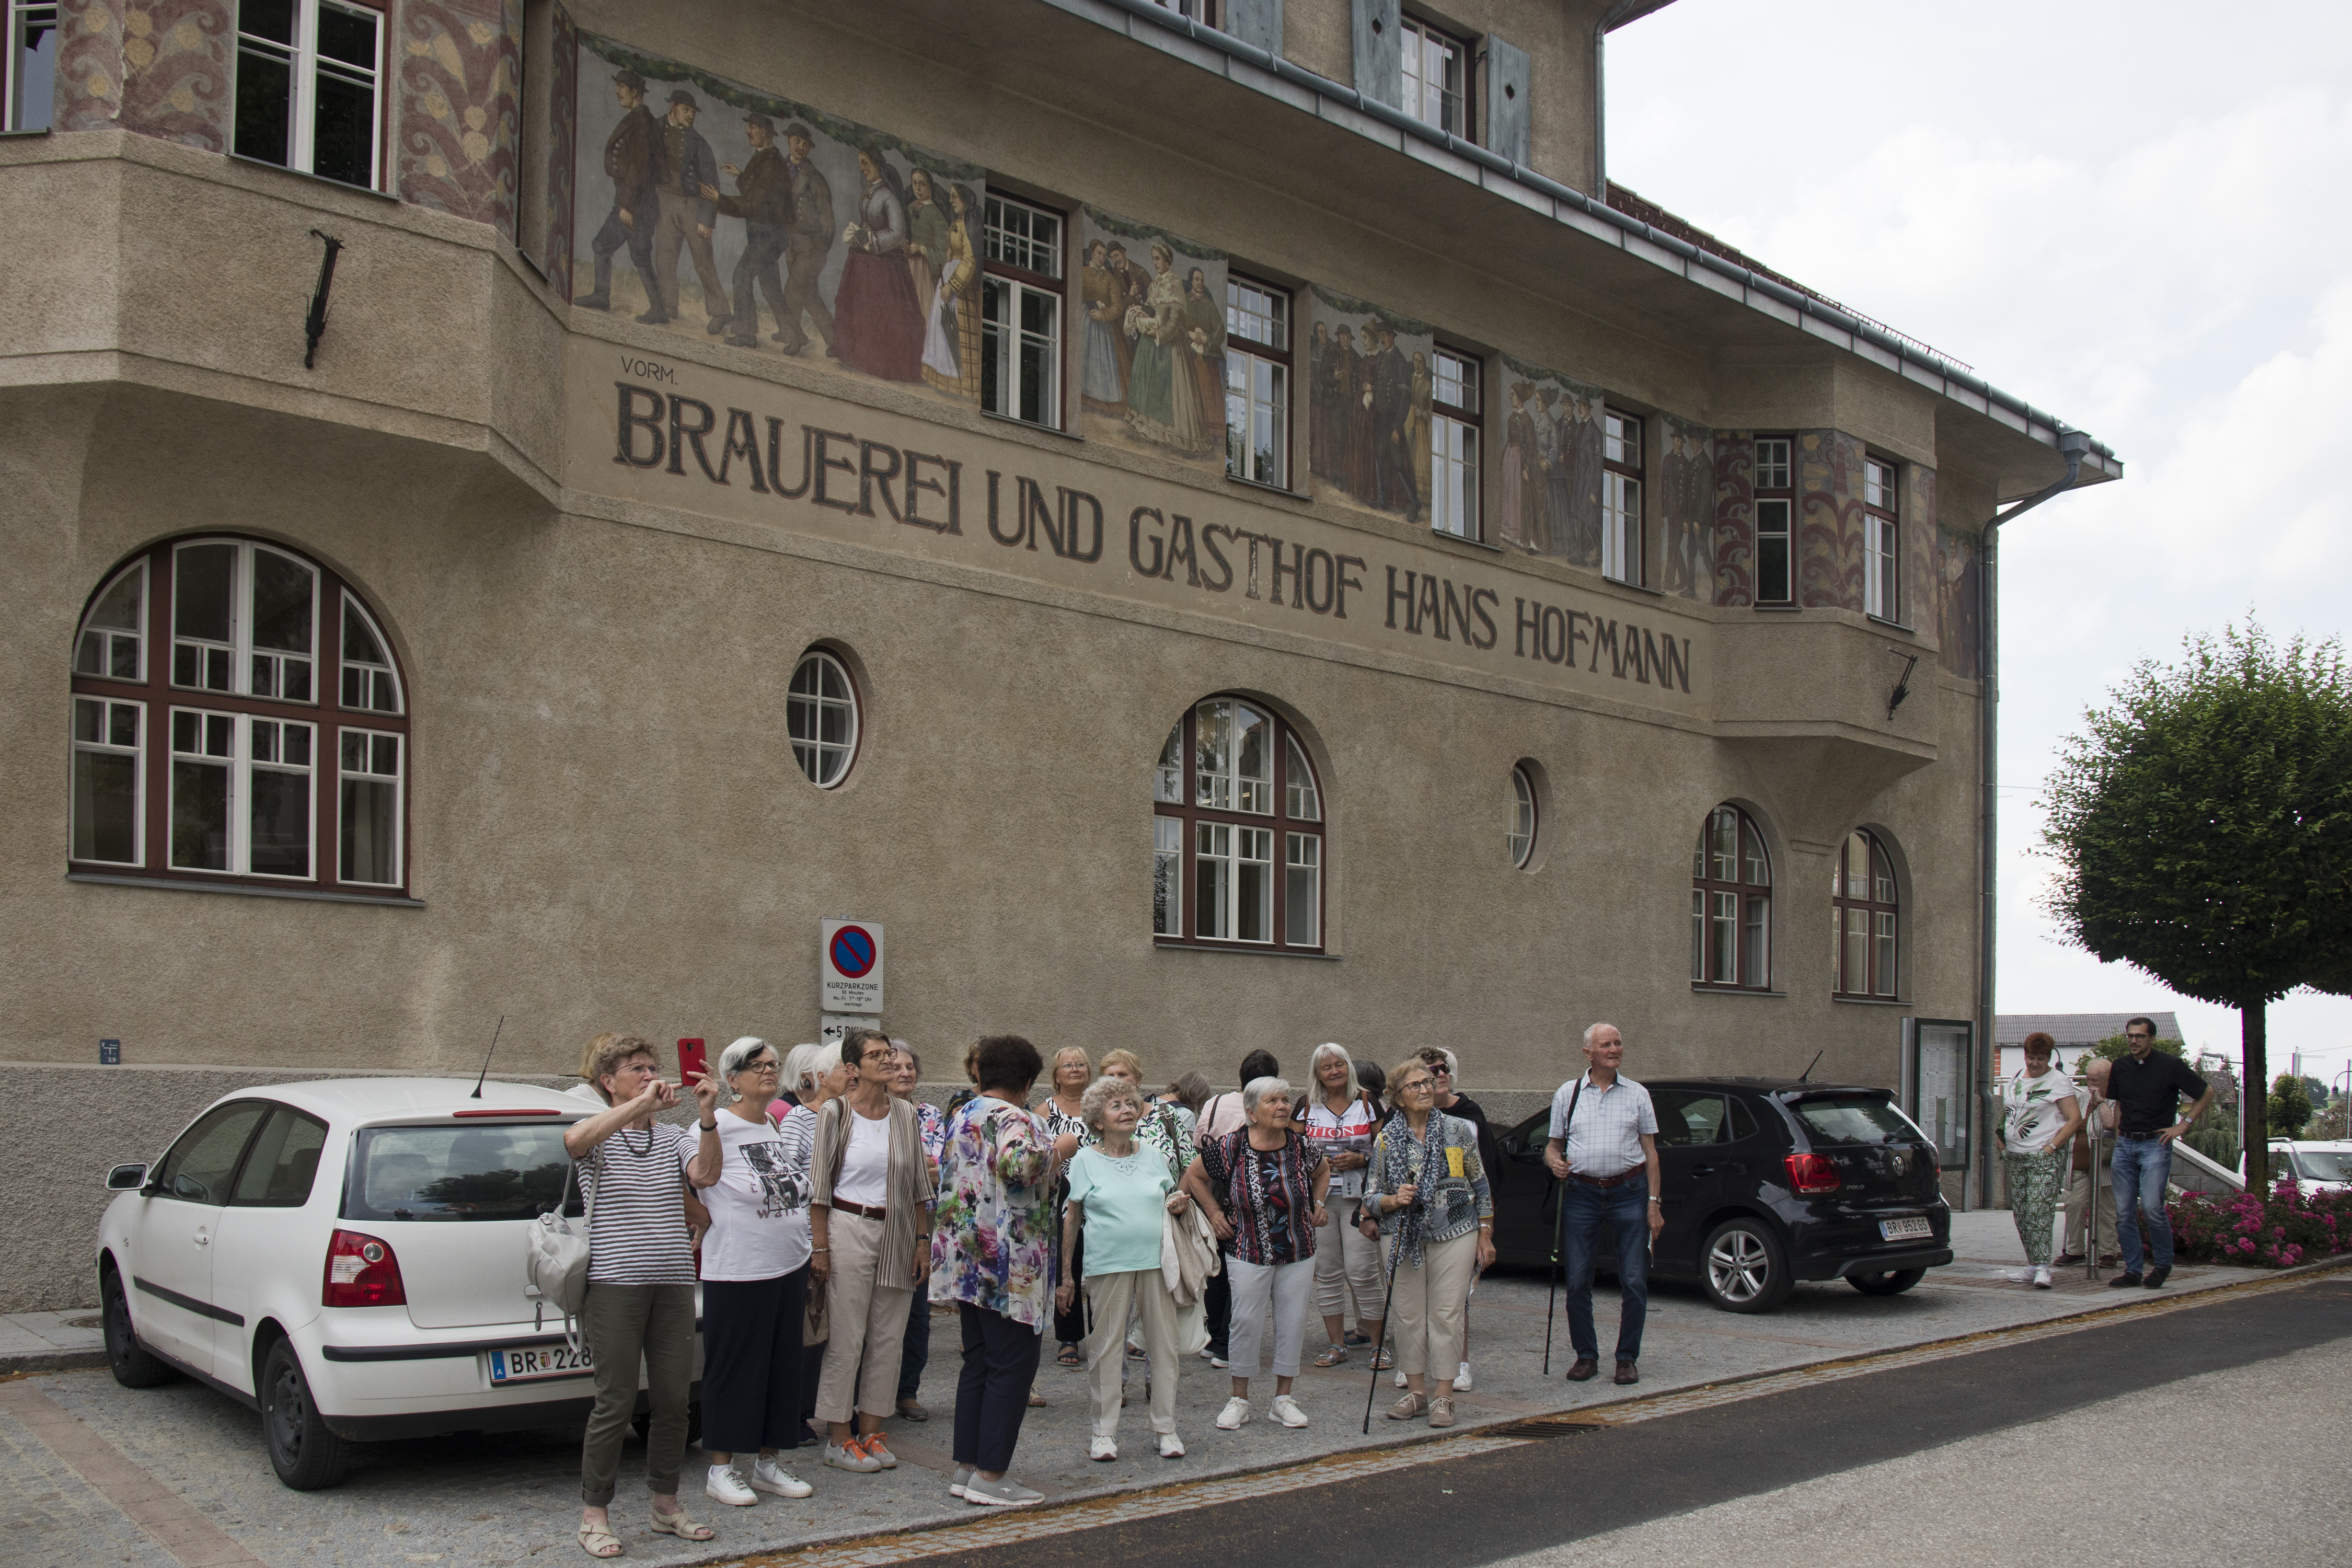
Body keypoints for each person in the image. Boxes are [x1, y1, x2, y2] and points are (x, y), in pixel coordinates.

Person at [563, 1034, 712, 1557]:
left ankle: (666, 1505)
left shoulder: (673, 1138)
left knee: (674, 1401)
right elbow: (575, 1141)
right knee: (615, 1401)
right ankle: (594, 1514)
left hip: (672, 1284)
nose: (650, 1076)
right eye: (637, 1070)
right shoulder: (600, 1134)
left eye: (653, 1068)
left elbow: (705, 1173)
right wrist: (639, 1106)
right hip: (614, 1287)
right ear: (609, 1082)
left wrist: (708, 1116)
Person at [682, 1037, 815, 1508]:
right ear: (731, 1078)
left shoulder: (774, 1125)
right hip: (739, 1268)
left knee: (782, 1366)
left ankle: (767, 1461)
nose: (768, 1071)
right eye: (756, 1065)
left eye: (773, 1064)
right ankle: (721, 1468)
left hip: (788, 1263)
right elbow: (702, 1179)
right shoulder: (711, 1127)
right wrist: (707, 1117)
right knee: (735, 1367)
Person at [931, 1034, 1062, 1507]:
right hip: (1010, 1268)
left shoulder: (963, 1114)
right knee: (1012, 1368)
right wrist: (1058, 1149)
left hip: (967, 1263)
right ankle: (992, 1476)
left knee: (979, 1363)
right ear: (1027, 1083)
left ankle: (967, 1467)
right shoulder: (1016, 1117)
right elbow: (1017, 1164)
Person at [809, 1027, 934, 1473]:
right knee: (847, 1337)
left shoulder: (904, 1114)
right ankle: (839, 1437)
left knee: (889, 1335)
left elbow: (920, 1184)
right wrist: (819, 1248)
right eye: (877, 1055)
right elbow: (819, 1188)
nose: (888, 1061)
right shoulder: (836, 1113)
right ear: (852, 1068)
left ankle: (873, 1431)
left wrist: (923, 1241)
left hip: (899, 1229)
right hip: (848, 1226)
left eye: (890, 1054)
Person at [1056, 1074, 1192, 1460]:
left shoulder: (1151, 1153)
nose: (1127, 1110)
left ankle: (1165, 1429)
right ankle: (1104, 1433)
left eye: (1130, 1104)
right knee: (1105, 1348)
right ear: (1098, 1120)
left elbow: (1170, 1196)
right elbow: (1072, 1218)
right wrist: (1067, 1275)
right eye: (1116, 1106)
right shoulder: (1084, 1159)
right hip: (1107, 1264)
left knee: (1164, 1346)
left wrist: (1179, 1201)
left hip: (1156, 1263)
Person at [1182, 1075, 1327, 1431]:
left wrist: (1318, 1203)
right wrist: (1215, 1213)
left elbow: (1322, 1172)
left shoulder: (1301, 1146)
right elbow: (1195, 1175)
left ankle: (1283, 1400)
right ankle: (1240, 1400)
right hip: (1248, 1247)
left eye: (1284, 1100)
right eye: (1273, 1102)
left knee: (1292, 1322)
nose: (1282, 1107)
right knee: (1244, 1323)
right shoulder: (1231, 1146)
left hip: (1298, 1246)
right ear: (1252, 1112)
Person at [1367, 1057, 1492, 1428]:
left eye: (1428, 1082)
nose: (1425, 1089)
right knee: (1407, 1314)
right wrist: (1391, 1200)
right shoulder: (1386, 1139)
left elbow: (1481, 1184)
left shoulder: (1458, 1131)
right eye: (1415, 1086)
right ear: (1398, 1098)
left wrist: (1486, 1233)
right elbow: (1371, 1195)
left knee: (1447, 1313)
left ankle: (1444, 1396)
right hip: (1402, 1233)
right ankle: (1417, 1393)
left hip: (1455, 1230)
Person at [1542, 1022, 1662, 1386]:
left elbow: (1651, 1154)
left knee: (1633, 1280)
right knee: (1578, 1280)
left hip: (1630, 1191)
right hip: (1582, 1194)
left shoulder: (1638, 1094)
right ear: (1588, 1053)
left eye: (1618, 1043)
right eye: (1606, 1044)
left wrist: (1654, 1203)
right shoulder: (1569, 1093)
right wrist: (1554, 1162)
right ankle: (1586, 1356)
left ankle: (1627, 1358)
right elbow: (1552, 1146)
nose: (1614, 1049)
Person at [2107, 1017, 2215, 1289]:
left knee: (2153, 1208)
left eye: (2140, 1037)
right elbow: (2119, 1102)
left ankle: (2164, 1265)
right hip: (2126, 1145)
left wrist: (2184, 1125)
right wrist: (2120, 1132)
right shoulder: (2120, 1067)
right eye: (2130, 1036)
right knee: (2123, 1213)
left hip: (2155, 1144)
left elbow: (2207, 1092)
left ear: (2151, 1039)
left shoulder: (2170, 1065)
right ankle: (2133, 1269)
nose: (2134, 1041)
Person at [1297, 1044, 1382, 1369]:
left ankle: (1377, 1346)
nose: (1334, 1071)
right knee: (1329, 1272)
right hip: (1320, 1199)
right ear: (1316, 1074)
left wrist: (1362, 1158)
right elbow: (1291, 1149)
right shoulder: (1305, 1106)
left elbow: (1387, 1150)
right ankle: (1336, 1345)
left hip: (1359, 1198)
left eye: (1339, 1065)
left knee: (1362, 1272)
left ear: (1348, 1067)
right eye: (1326, 1067)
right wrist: (1315, 1166)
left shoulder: (1366, 1101)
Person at [1195, 1049, 1278, 1367]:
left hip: (1215, 1187)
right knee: (1242, 1268)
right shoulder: (1265, 1108)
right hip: (1247, 1192)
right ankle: (1228, 1347)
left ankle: (1213, 1338)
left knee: (1217, 1267)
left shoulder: (1215, 1103)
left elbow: (1200, 1144)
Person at [1997, 1031, 2084, 1289]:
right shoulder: (2016, 1078)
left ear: (2049, 1058)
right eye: (2031, 1057)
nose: (2035, 1063)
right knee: (2022, 1212)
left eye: (2041, 1059)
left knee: (2039, 1210)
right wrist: (2002, 1143)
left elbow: (2075, 1118)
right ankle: (2032, 1265)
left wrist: (2051, 1147)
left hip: (2043, 1156)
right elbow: (2009, 1113)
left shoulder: (2058, 1081)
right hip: (2015, 1155)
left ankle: (2044, 1267)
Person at [830, 149, 926, 383]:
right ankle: (856, 356)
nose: (862, 168)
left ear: (877, 166)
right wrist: (856, 232)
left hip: (885, 267)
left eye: (865, 164)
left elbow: (897, 233)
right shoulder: (869, 193)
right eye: (861, 164)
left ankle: (881, 364)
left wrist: (869, 239)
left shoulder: (888, 197)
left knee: (883, 314)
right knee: (859, 306)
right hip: (864, 261)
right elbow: (868, 221)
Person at [575, 70, 660, 314]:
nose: (616, 91)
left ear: (635, 92)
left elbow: (639, 167)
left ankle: (658, 309)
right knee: (603, 245)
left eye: (622, 87)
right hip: (630, 197)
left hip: (637, 201)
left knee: (639, 255)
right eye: (618, 86)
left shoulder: (642, 120)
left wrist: (627, 206)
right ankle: (603, 297)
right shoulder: (638, 118)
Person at [704, 112, 790, 351]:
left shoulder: (772, 162)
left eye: (752, 127)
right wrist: (741, 176)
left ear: (764, 131)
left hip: (768, 236)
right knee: (771, 285)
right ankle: (793, 333)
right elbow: (759, 190)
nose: (747, 131)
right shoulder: (765, 157)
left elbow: (754, 204)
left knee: (741, 275)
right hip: (768, 234)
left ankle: (745, 334)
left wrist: (719, 200)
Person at [890, 1041, 943, 1420]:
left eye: (910, 1067)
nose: (905, 1073)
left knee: (917, 1317)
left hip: (922, 1225)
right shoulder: (871, 1114)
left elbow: (939, 1167)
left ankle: (907, 1391)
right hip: (885, 1222)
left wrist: (923, 1169)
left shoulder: (929, 1114)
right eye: (896, 1067)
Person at [644, 90, 728, 331]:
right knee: (665, 257)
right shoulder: (654, 128)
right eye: (686, 110)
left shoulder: (700, 143)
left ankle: (720, 312)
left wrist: (707, 220)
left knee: (703, 259)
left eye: (693, 112)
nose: (691, 115)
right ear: (673, 107)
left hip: (693, 206)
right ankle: (668, 306)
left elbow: (711, 183)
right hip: (664, 200)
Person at [1035, 1046, 1094, 1368]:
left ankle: (1103, 1334)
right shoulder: (1043, 1112)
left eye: (1081, 1064)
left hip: (1098, 1198)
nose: (1075, 1069)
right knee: (1065, 1267)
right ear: (1056, 1076)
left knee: (1100, 1267)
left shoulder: (1099, 1106)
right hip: (1060, 1199)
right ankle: (1068, 1338)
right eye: (1067, 1065)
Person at [777, 122, 835, 355]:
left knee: (792, 291)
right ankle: (836, 342)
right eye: (797, 141)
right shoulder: (780, 169)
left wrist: (820, 250)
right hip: (790, 243)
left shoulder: (815, 178)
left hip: (812, 246)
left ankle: (795, 339)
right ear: (789, 140)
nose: (801, 147)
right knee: (810, 297)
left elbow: (828, 222)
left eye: (805, 144)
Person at [2057, 1056, 2119, 1267]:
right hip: (2078, 1163)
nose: (2091, 1085)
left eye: (2095, 1081)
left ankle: (2108, 1253)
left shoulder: (2115, 1101)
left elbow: (2110, 1126)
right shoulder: (2083, 1098)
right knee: (2073, 1205)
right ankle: (2075, 1250)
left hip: (2103, 1165)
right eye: (2088, 1080)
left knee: (2105, 1208)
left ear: (2108, 1081)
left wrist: (2100, 1101)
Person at [1080, 239, 1127, 415]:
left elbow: (1118, 307)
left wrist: (1103, 314)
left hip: (1102, 326)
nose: (1102, 257)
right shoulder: (1083, 272)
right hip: (1084, 319)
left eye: (1104, 254)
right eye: (1099, 253)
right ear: (1092, 253)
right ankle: (1082, 396)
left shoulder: (1110, 279)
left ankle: (1101, 402)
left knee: (1101, 362)